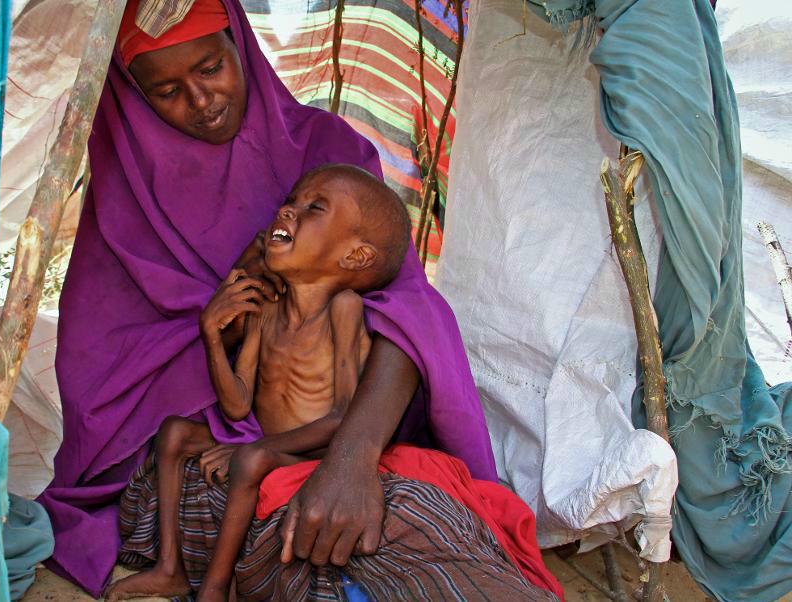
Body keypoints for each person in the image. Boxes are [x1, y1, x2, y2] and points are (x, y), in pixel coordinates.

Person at [37, 0, 553, 599]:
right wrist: (224, 329)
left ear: (241, 45)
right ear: (134, 99)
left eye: (210, 68)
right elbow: (109, 372)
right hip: (201, 452)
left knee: (409, 523)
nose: (202, 101)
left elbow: (408, 309)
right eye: (168, 91)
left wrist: (353, 458)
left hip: (340, 428)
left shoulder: (325, 154)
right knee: (316, 548)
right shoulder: (126, 202)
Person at [106, 164, 410, 601]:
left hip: (315, 456)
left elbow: (344, 415)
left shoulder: (343, 309)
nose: (288, 211)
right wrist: (212, 333)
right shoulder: (268, 308)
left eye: (314, 208)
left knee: (248, 462)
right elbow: (237, 406)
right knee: (174, 432)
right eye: (291, 201)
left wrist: (258, 449)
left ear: (355, 257)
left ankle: (215, 587)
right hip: (269, 442)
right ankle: (170, 567)